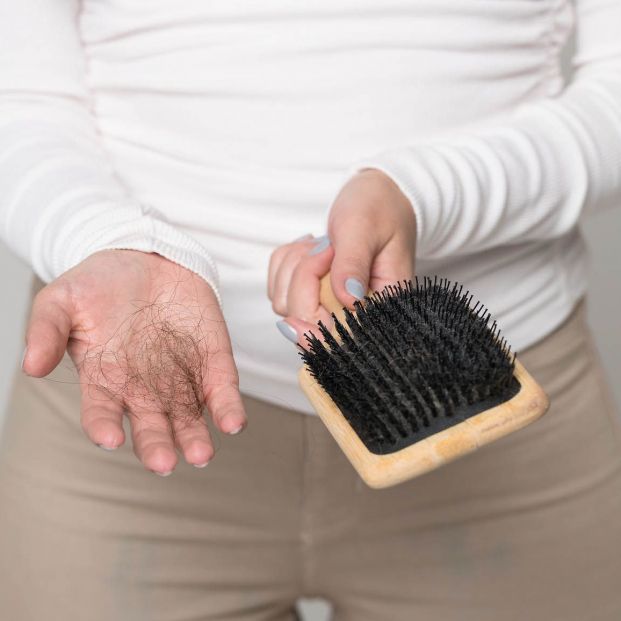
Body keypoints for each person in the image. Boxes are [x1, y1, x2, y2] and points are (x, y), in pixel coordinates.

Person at [0, 1, 620, 619]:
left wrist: (426, 192)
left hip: (498, 429)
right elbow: (24, 101)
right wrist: (108, 238)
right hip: (132, 406)